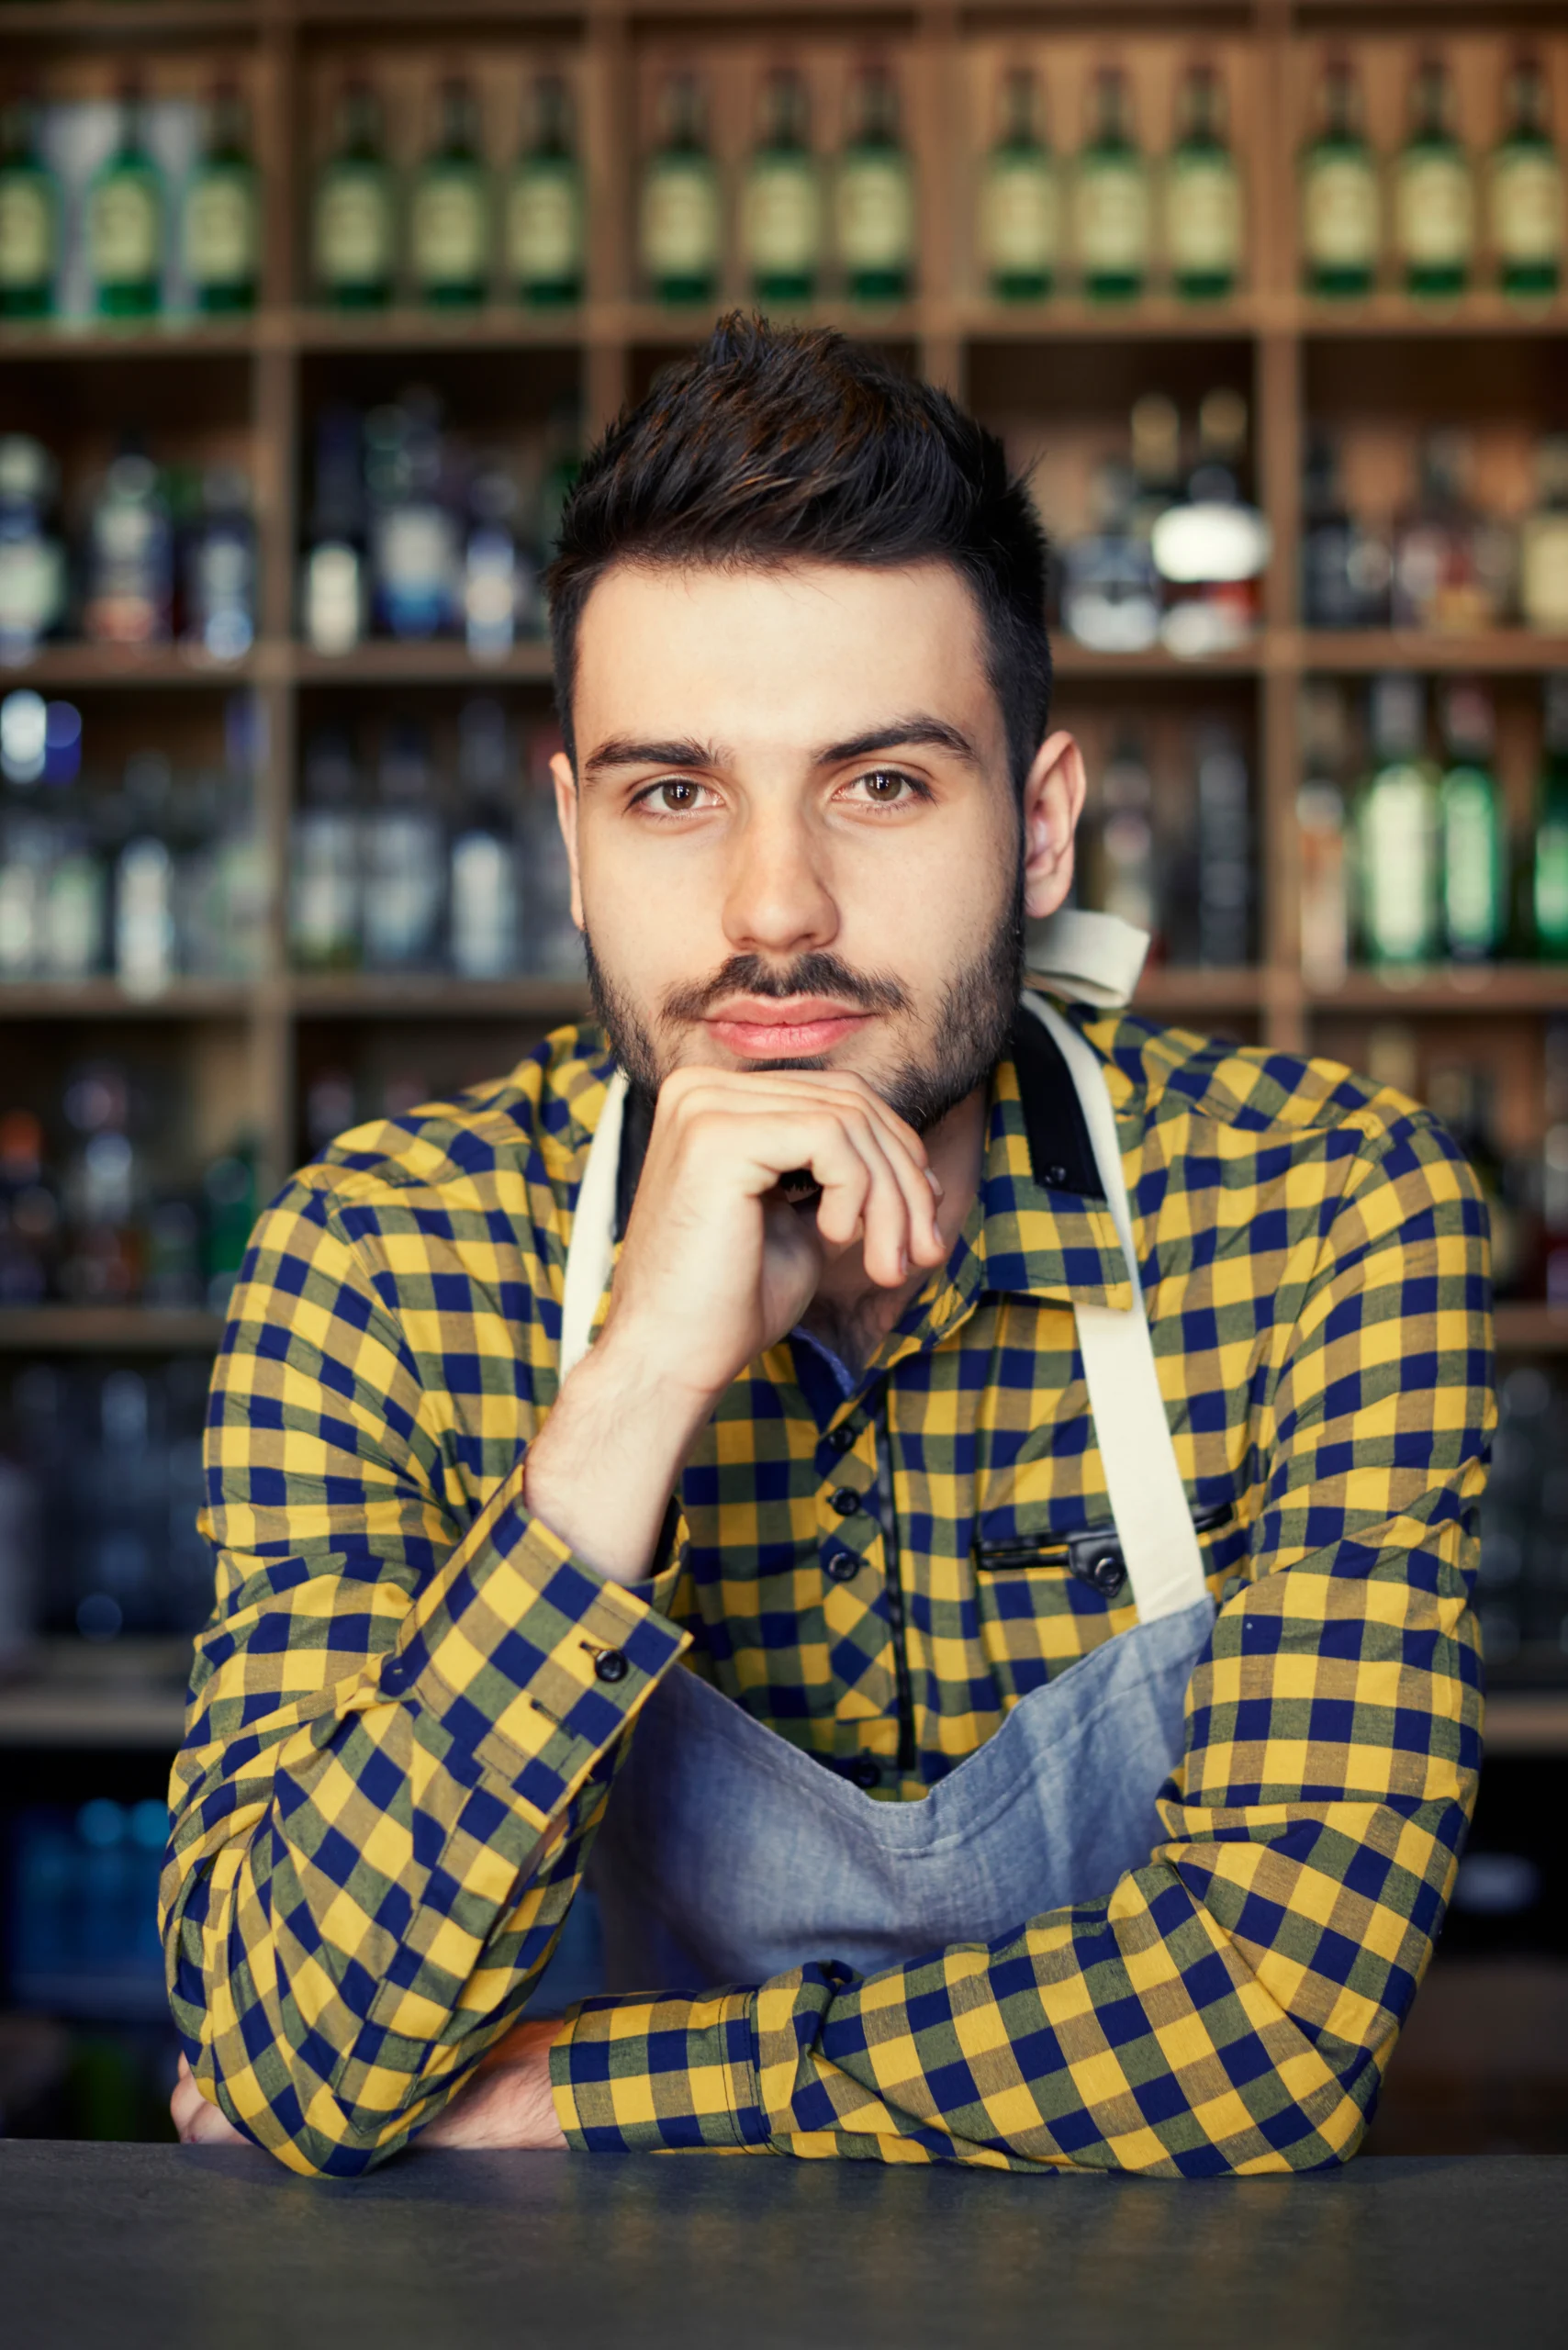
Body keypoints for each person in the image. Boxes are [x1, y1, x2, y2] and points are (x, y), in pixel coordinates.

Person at [166, 315, 1489, 2177]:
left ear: (1035, 831)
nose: (771, 911)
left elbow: (1264, 2023)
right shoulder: (383, 1262)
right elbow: (293, 2047)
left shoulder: (1320, 1222)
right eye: (670, 791)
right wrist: (626, 1394)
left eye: (879, 782)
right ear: (570, 838)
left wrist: (571, 2086)